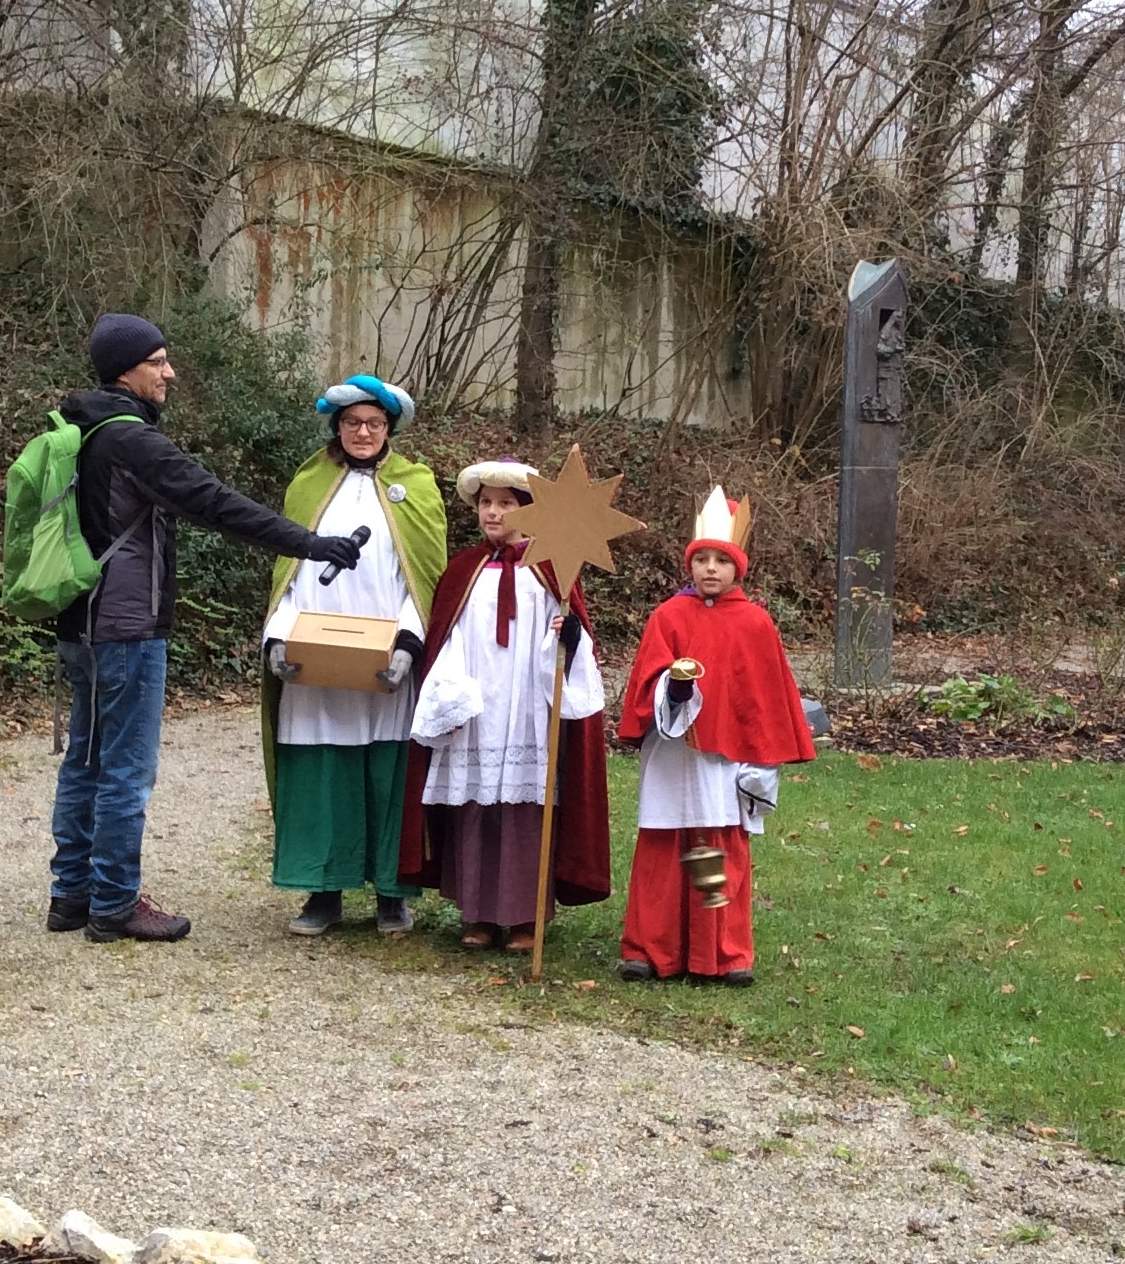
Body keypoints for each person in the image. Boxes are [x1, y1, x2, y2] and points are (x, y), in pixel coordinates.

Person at [49, 314, 364, 945]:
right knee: (124, 769)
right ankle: (113, 901)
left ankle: (71, 895)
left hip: (79, 622)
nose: (170, 373)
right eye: (158, 361)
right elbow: (217, 503)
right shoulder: (133, 440)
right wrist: (313, 544)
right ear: (124, 370)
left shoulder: (80, 430)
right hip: (128, 625)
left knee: (83, 759)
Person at [399, 460, 611, 953]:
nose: (493, 513)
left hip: (528, 710)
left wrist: (571, 637)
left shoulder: (550, 569)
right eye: (486, 503)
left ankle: (525, 916)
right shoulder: (464, 570)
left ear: (529, 510)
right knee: (474, 804)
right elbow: (445, 638)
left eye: (506, 503)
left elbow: (572, 641)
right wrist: (449, 693)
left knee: (525, 808)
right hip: (476, 708)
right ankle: (478, 913)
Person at [260, 375, 445, 937]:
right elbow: (286, 572)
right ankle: (323, 891)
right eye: (352, 423)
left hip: (386, 656)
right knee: (320, 772)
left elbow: (424, 578)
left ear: (390, 428)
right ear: (336, 428)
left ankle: (393, 892)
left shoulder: (417, 486)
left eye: (374, 424)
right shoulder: (308, 484)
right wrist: (278, 638)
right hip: (315, 663)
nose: (363, 432)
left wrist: (411, 645)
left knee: (389, 773)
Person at [614, 487, 816, 986]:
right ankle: (649, 949)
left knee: (719, 849)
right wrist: (674, 688)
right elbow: (648, 679)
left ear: (737, 567)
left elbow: (763, 698)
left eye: (720, 561)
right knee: (664, 848)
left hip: (725, 760)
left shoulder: (754, 623)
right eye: (701, 559)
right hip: (673, 751)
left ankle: (722, 954)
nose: (709, 569)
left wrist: (761, 759)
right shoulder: (668, 616)